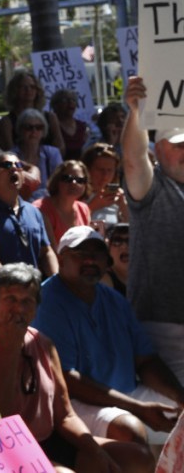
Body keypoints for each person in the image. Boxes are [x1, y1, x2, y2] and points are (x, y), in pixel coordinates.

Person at [0, 263, 156, 471]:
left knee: (138, 458)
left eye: (27, 301)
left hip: (49, 439)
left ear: (36, 309)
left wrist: (97, 452)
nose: (19, 308)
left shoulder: (43, 344)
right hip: (5, 449)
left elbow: (65, 415)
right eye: (11, 299)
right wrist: (10, 352)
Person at [32, 226, 184, 448]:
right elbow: (68, 380)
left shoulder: (114, 301)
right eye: (80, 254)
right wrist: (138, 408)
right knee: (130, 431)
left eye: (97, 254)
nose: (91, 261)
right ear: (61, 258)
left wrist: (180, 397)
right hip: (74, 404)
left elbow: (145, 361)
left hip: (126, 394)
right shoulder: (48, 301)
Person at [122, 76, 184, 386]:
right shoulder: (154, 189)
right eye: (178, 145)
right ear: (158, 150)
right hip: (163, 332)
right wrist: (136, 111)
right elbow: (133, 161)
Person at [0, 153, 58, 276]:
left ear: (23, 177)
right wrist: (9, 282)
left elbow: (46, 251)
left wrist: (54, 281)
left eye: (18, 165)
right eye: (7, 165)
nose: (13, 168)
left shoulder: (34, 212)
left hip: (32, 289)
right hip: (2, 290)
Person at [0, 70, 64, 155]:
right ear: (15, 90)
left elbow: (60, 148)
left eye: (32, 87)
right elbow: (10, 151)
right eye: (23, 87)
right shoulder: (7, 122)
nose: (28, 90)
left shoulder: (51, 117)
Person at [33, 160, 92, 245]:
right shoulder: (40, 209)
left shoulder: (84, 209)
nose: (74, 183)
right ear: (57, 181)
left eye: (79, 180)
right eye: (67, 178)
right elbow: (50, 251)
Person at [11, 107, 64, 200]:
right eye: (28, 127)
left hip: (48, 205)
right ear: (20, 130)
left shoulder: (52, 153)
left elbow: (60, 184)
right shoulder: (11, 156)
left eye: (39, 127)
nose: (34, 131)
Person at [82, 143, 128, 230]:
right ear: (88, 169)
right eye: (100, 170)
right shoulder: (77, 194)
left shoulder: (118, 196)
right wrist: (93, 206)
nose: (105, 175)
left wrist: (123, 206)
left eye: (110, 170)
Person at [52, 89, 89, 160]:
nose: (70, 103)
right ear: (55, 105)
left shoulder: (82, 126)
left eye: (73, 100)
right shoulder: (49, 126)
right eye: (65, 100)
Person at [100, 222, 130, 296]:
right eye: (117, 241)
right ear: (109, 250)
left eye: (129, 241)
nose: (124, 246)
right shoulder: (105, 281)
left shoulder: (146, 278)